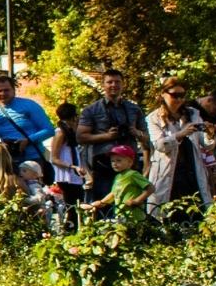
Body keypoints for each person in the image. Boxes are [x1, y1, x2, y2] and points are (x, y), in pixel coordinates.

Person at [77, 68, 147, 204]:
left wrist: (135, 132)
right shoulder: (91, 110)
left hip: (129, 163)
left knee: (129, 202)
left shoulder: (134, 109)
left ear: (123, 84)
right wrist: (107, 136)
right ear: (103, 85)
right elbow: (81, 137)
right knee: (103, 204)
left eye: (117, 82)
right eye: (110, 82)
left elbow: (146, 137)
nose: (114, 85)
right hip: (104, 163)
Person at [147, 81, 214, 210]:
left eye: (182, 95)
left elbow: (206, 145)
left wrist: (209, 134)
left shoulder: (193, 114)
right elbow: (160, 146)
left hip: (192, 171)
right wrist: (180, 134)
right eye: (175, 95)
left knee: (196, 212)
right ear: (163, 94)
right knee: (166, 213)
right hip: (168, 173)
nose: (179, 99)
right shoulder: (153, 118)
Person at [0, 73, 56, 178]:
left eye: (6, 90)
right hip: (9, 162)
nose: (3, 93)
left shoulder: (29, 105)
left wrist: (28, 141)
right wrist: (3, 146)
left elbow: (49, 130)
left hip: (33, 159)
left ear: (14, 90)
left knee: (36, 192)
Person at [84, 143, 152, 221]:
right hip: (120, 213)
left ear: (130, 162)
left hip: (133, 215)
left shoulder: (133, 174)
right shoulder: (117, 177)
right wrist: (102, 202)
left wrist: (137, 200)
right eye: (112, 161)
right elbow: (113, 194)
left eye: (118, 160)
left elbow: (150, 188)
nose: (114, 163)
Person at [48, 102, 86, 207]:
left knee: (78, 205)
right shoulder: (60, 132)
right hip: (66, 176)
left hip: (75, 175)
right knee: (73, 206)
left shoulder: (71, 131)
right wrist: (73, 167)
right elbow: (54, 158)